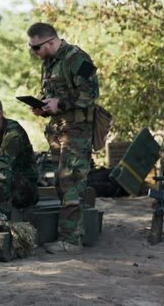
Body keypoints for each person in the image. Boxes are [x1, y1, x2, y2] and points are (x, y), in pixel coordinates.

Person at [26, 22, 99, 254]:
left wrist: (61, 104)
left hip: (77, 131)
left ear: (50, 42)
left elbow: (91, 94)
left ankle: (71, 240)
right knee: (61, 182)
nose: (33, 53)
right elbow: (52, 95)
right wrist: (44, 106)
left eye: (36, 48)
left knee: (71, 182)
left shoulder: (77, 58)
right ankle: (76, 230)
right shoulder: (49, 62)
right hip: (59, 129)